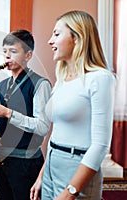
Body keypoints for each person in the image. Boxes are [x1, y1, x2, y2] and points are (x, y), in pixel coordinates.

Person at [30, 10, 116, 200]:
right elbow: (57, 132)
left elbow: (100, 145)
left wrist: (71, 192)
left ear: (77, 37)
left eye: (57, 34)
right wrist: (42, 176)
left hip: (77, 166)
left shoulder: (100, 78)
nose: (50, 41)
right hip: (52, 162)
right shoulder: (62, 79)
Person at [0, 29, 52, 200]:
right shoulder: (2, 85)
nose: (7, 57)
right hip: (3, 159)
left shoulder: (40, 84)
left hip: (26, 163)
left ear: (28, 55)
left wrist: (7, 112)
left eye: (13, 52)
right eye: (5, 52)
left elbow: (42, 127)